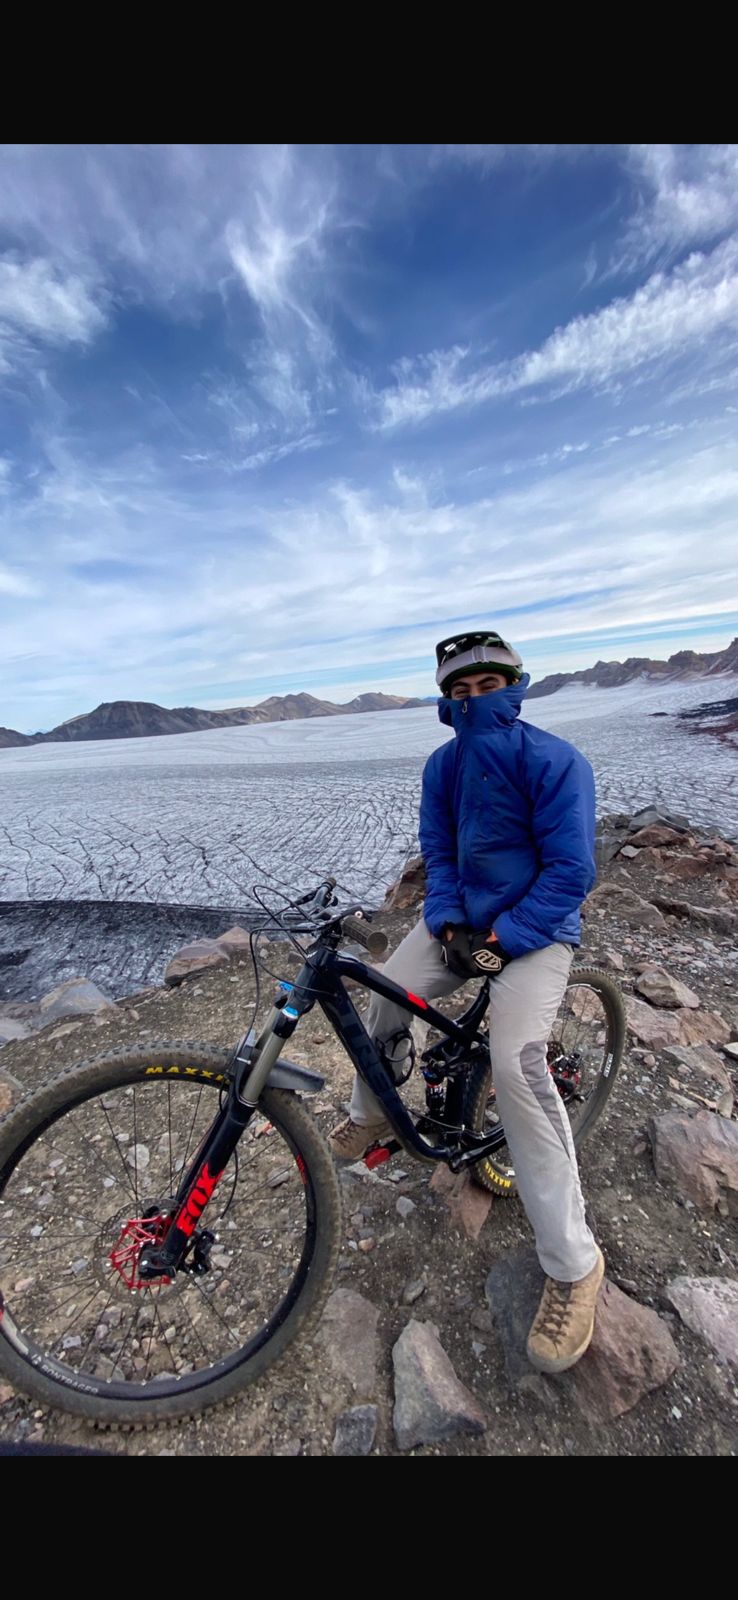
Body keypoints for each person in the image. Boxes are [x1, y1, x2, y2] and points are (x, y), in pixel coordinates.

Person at [329, 629, 604, 1374]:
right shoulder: (443, 766)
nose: (474, 698)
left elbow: (571, 872)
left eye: (487, 685)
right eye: (460, 689)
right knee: (385, 995)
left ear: (514, 686)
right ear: (446, 700)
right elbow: (440, 852)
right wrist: (449, 923)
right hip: (462, 924)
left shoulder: (556, 761)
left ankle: (575, 1265)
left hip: (537, 933)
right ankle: (373, 1112)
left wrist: (504, 938)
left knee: (517, 1068)